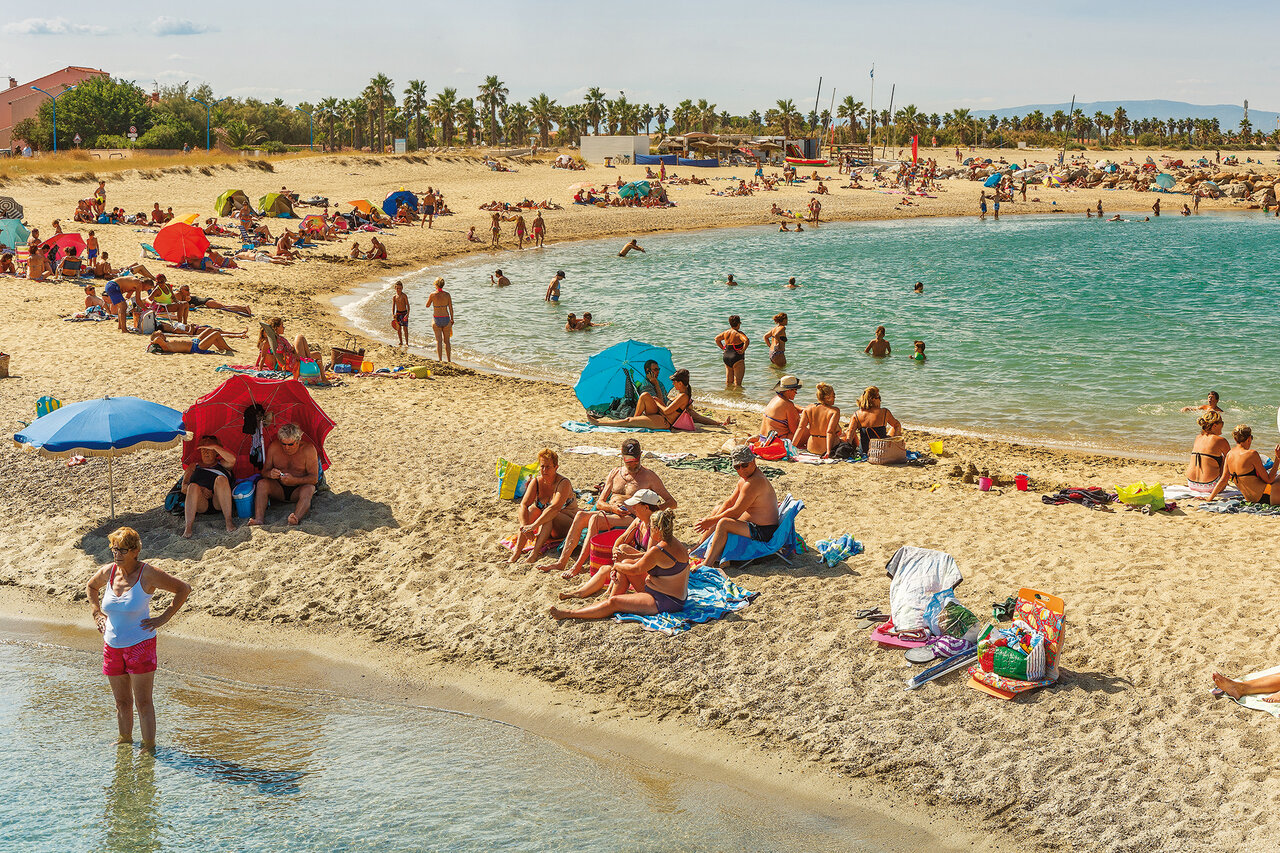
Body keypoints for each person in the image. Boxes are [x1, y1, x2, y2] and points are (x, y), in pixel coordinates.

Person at [86, 527, 191, 749]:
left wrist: (163, 618)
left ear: (135, 550)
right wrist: (97, 613)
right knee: (122, 702)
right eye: (114, 549)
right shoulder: (109, 572)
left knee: (143, 702)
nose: (117, 554)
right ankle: (125, 741)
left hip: (140, 645)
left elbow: (184, 589)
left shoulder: (148, 573)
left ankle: (148, 747)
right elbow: (91, 586)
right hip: (112, 646)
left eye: (122, 550)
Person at [539, 439, 676, 577]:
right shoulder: (615, 473)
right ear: (622, 457)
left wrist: (650, 510)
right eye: (628, 459)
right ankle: (561, 562)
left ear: (640, 455)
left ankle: (577, 566)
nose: (633, 463)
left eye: (635, 459)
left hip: (632, 517)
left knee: (595, 519)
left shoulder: (649, 476)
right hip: (612, 512)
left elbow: (672, 502)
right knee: (581, 516)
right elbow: (600, 503)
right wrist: (612, 508)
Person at [550, 509, 691, 620]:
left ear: (657, 530)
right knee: (626, 563)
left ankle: (570, 613)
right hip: (663, 591)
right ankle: (607, 600)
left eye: (651, 527)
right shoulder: (674, 543)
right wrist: (623, 561)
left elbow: (636, 569)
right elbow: (639, 562)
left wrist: (616, 566)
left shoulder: (658, 550)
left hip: (665, 601)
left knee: (614, 602)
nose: (649, 529)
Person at [695, 446, 780, 569]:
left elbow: (735, 512)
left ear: (753, 462)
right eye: (737, 467)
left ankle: (707, 563)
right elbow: (729, 502)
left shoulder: (754, 482)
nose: (741, 470)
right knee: (717, 509)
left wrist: (710, 521)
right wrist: (712, 518)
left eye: (744, 465)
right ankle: (699, 546)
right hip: (753, 526)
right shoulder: (745, 480)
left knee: (724, 523)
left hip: (764, 531)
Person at [511, 448, 577, 563]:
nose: (544, 470)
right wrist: (525, 526)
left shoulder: (563, 483)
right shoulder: (536, 482)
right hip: (548, 526)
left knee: (549, 514)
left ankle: (534, 553)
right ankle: (516, 552)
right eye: (542, 467)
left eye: (548, 467)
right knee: (531, 510)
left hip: (567, 524)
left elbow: (554, 508)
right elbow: (523, 505)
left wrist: (534, 525)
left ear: (556, 467)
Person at [250, 422, 320, 526]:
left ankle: (295, 518)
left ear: (298, 440)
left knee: (309, 489)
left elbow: (314, 479)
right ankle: (259, 519)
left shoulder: (308, 450)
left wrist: (295, 480)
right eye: (283, 444)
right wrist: (270, 474)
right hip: (278, 489)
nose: (287, 447)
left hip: (298, 489)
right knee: (262, 483)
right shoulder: (274, 447)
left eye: (290, 444)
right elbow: (264, 472)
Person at [588, 368, 699, 431]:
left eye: (674, 382)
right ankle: (635, 420)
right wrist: (657, 399)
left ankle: (598, 422)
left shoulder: (683, 396)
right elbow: (667, 407)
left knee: (628, 421)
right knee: (645, 395)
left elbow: (666, 411)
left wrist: (656, 402)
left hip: (664, 421)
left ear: (680, 383)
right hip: (661, 416)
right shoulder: (681, 395)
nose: (673, 384)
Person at [1207, 424, 1280, 504]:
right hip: (1266, 497)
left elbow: (1223, 480)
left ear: (1235, 439)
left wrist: (1209, 498)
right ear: (1249, 439)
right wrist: (1277, 458)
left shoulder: (1229, 454)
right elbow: (1269, 479)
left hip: (1251, 499)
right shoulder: (1252, 454)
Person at [181, 436, 237, 537]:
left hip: (219, 502)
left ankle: (228, 522)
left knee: (221, 479)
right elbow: (184, 487)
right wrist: (201, 490)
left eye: (209, 449)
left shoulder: (223, 464)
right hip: (201, 503)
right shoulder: (194, 466)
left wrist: (215, 446)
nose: (205, 452)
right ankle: (188, 528)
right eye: (203, 449)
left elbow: (232, 459)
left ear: (216, 452)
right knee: (192, 486)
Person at [846, 385, 902, 455]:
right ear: (873, 399)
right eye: (879, 398)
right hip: (882, 449)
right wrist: (894, 439)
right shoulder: (884, 412)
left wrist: (848, 447)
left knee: (850, 430)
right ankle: (894, 446)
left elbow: (850, 434)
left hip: (865, 451)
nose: (880, 401)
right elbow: (897, 425)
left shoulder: (857, 414)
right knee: (896, 425)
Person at [1185, 411, 1230, 496]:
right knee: (1226, 458)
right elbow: (1232, 460)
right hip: (1211, 486)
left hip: (1191, 484)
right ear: (1215, 425)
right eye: (1222, 423)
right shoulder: (1220, 440)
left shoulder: (1198, 437)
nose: (1223, 425)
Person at [793, 382, 841, 456]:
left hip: (811, 448)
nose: (835, 398)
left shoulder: (808, 408)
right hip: (824, 448)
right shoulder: (834, 411)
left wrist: (792, 446)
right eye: (833, 395)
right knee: (844, 436)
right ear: (827, 397)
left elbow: (800, 428)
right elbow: (829, 432)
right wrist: (828, 452)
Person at [716, 315, 749, 387]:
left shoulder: (726, 332)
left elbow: (717, 339)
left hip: (726, 356)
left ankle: (728, 396)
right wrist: (743, 350)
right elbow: (746, 340)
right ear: (739, 323)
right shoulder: (739, 333)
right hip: (736, 357)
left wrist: (722, 347)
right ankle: (737, 397)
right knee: (738, 383)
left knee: (728, 382)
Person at [425, 277, 453, 362]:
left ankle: (440, 359)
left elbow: (427, 305)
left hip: (437, 319)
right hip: (446, 318)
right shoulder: (447, 295)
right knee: (447, 341)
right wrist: (452, 319)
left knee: (439, 341)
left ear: (436, 285)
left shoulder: (432, 295)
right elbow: (451, 308)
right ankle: (449, 360)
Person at [148, 329, 234, 355]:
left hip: (194, 341)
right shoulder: (165, 345)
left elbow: (158, 338)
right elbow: (157, 339)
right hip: (196, 347)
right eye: (161, 334)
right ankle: (229, 349)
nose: (163, 335)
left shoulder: (167, 341)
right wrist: (152, 341)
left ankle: (221, 348)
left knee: (209, 330)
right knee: (216, 334)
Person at [391, 281, 410, 346]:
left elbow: (408, 305)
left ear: (402, 288)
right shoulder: (394, 297)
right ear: (395, 288)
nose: (399, 290)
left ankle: (407, 343)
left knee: (405, 329)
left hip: (404, 313)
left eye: (400, 288)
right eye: (397, 288)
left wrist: (407, 314)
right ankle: (401, 342)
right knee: (398, 329)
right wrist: (393, 314)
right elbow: (393, 306)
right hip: (398, 313)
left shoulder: (404, 296)